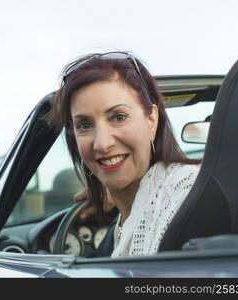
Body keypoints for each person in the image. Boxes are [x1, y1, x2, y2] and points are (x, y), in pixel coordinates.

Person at [46, 52, 201, 257]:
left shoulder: (188, 193)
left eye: (119, 117)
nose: (102, 143)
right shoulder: (126, 213)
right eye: (84, 125)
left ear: (151, 120)